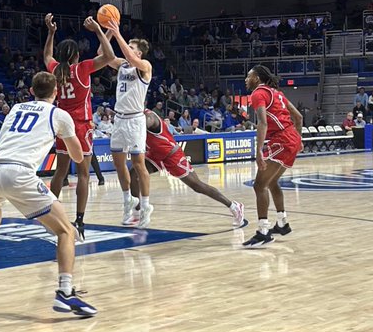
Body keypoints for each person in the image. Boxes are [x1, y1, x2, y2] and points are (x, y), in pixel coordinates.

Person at [0, 71, 95, 316]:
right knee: (66, 230)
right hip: (19, 173)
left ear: (31, 91)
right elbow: (78, 156)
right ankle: (65, 292)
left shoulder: (16, 108)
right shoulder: (59, 114)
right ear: (56, 92)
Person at [42, 14, 115, 238]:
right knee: (83, 173)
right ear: (75, 55)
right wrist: (99, 32)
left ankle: (49, 213)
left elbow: (47, 55)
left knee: (60, 171)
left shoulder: (56, 70)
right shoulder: (82, 69)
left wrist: (51, 33)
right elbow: (109, 56)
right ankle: (80, 220)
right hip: (81, 126)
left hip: (61, 124)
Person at [129, 110, 246, 228]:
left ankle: (234, 206)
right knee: (134, 173)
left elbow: (145, 124)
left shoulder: (149, 117)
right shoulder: (133, 118)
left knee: (197, 186)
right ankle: (137, 213)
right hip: (156, 154)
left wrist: (128, 125)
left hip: (172, 155)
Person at [242, 65, 303, 248]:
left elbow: (262, 123)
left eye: (249, 76)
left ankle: (263, 232)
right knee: (271, 182)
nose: (246, 79)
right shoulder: (276, 93)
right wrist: (298, 140)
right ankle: (282, 223)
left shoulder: (258, 94)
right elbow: (298, 117)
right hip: (290, 137)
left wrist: (259, 150)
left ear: (257, 78)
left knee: (259, 185)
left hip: (282, 140)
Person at [102, 21, 153, 227]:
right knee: (118, 163)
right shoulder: (122, 65)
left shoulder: (145, 66)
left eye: (132, 48)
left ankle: (146, 205)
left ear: (139, 53)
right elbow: (103, 53)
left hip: (135, 120)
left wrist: (117, 32)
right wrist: (107, 31)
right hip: (119, 119)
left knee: (139, 164)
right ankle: (127, 202)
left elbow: (130, 56)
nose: (128, 50)